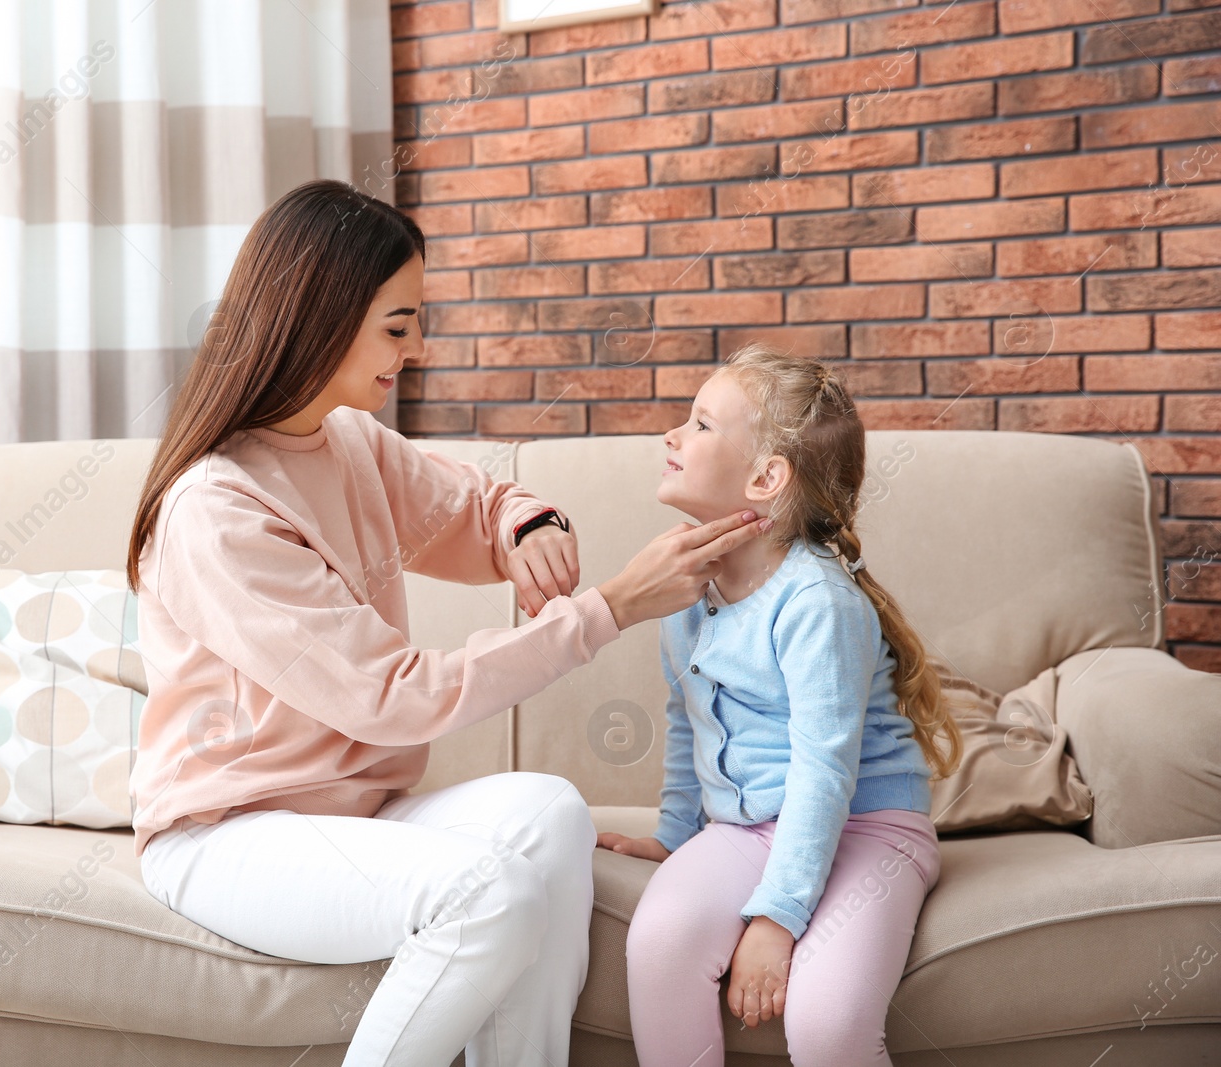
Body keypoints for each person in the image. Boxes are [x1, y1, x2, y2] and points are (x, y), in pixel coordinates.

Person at [122, 178, 770, 1067]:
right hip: (228, 834)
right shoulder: (216, 511)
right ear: (320, 316)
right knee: (486, 892)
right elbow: (391, 697)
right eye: (397, 325)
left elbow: (471, 505)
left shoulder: (345, 440)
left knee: (553, 814)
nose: (417, 348)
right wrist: (611, 605)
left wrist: (525, 523)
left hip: (359, 813)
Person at [598, 343, 966, 1066]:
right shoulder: (685, 585)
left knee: (828, 1022)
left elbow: (824, 773)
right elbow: (688, 721)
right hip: (748, 825)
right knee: (659, 942)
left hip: (868, 826)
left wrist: (775, 916)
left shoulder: (816, 602)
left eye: (700, 425)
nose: (672, 436)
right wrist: (676, 833)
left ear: (766, 477)